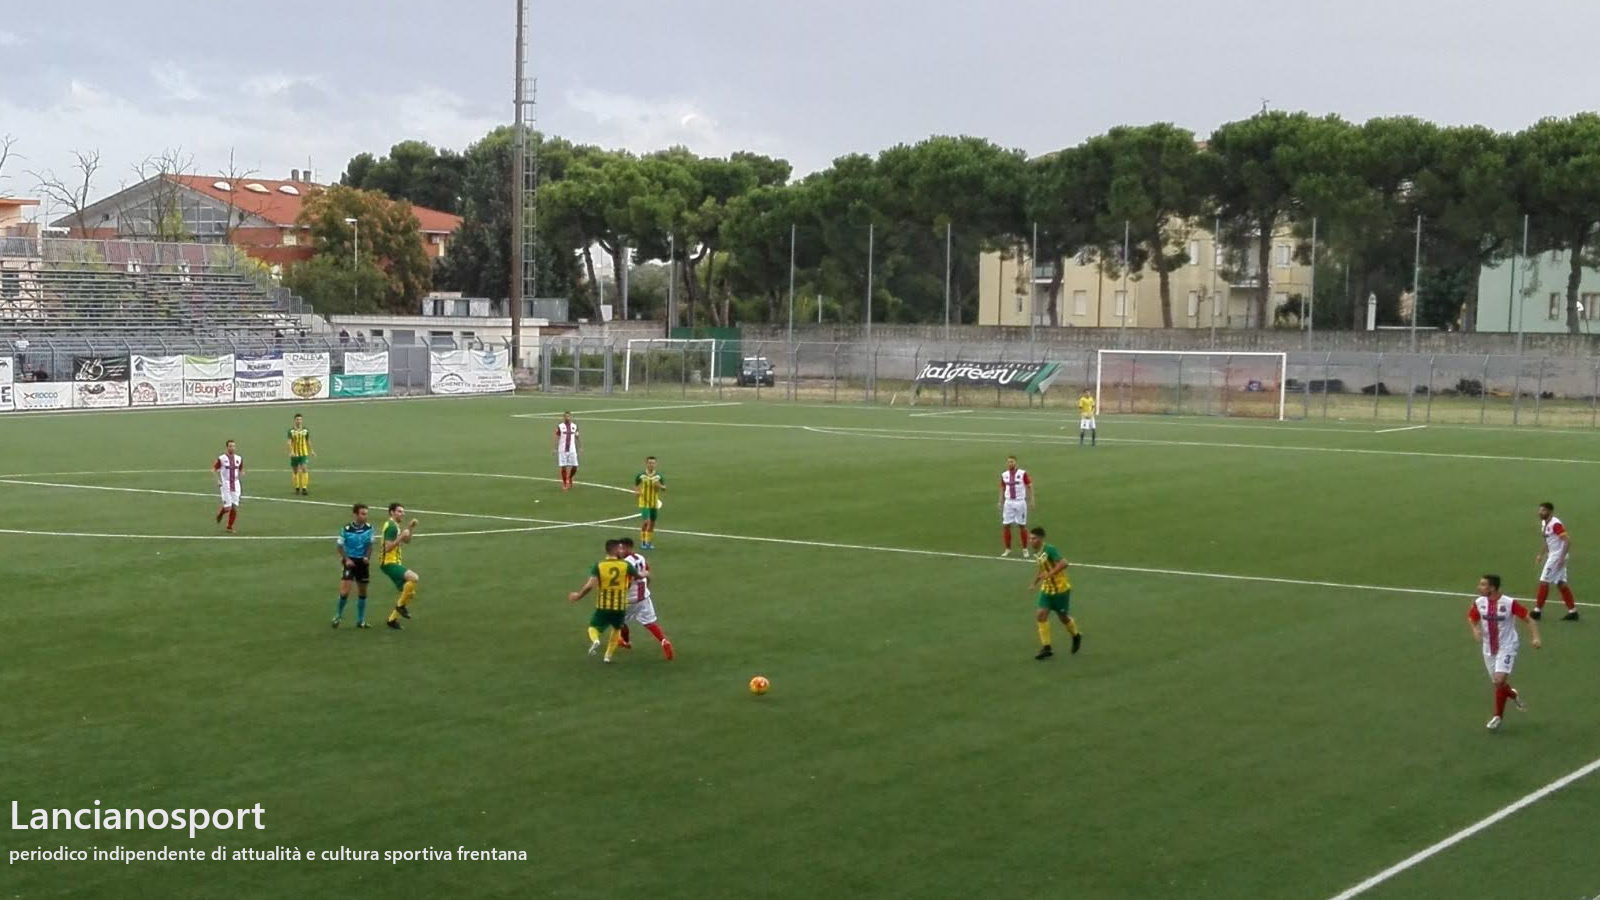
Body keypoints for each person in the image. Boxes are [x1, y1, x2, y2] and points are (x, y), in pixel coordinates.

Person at [1468, 574, 1540, 731]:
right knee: (1497, 683)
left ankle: (1497, 717)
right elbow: (1472, 618)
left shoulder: (1508, 603)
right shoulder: (1479, 603)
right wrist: (1475, 629)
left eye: (1483, 585)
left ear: (1492, 588)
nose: (1479, 587)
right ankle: (1512, 694)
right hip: (1488, 648)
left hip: (1507, 646)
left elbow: (1529, 619)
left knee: (1499, 680)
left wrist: (1535, 637)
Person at [567, 539, 638, 663]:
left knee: (593, 628)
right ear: (615, 550)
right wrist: (645, 574)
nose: (621, 551)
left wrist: (578, 596)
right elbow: (638, 576)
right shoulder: (626, 565)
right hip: (620, 607)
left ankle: (595, 640)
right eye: (619, 549)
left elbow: (590, 586)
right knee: (616, 630)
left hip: (603, 606)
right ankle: (607, 656)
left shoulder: (599, 565)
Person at [1028, 527, 1081, 660]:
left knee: (1063, 617)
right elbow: (1042, 569)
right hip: (1047, 590)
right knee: (1040, 615)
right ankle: (1047, 648)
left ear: (1040, 539)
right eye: (1030, 538)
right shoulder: (1037, 552)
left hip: (1060, 590)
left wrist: (1050, 574)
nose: (1030, 541)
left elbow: (1064, 563)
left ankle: (1076, 635)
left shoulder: (1050, 549)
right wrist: (1035, 582)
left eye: (1033, 538)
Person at [617, 537, 673, 659]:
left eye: (621, 548)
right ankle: (664, 641)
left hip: (629, 599)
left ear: (628, 548)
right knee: (650, 622)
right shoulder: (639, 557)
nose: (619, 550)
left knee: (620, 621)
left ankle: (625, 642)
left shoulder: (624, 563)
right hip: (643, 596)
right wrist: (646, 585)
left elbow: (628, 581)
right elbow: (647, 572)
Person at [1533, 502, 1578, 621]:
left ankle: (1537, 611)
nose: (1540, 512)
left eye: (1543, 510)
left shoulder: (1555, 524)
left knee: (1544, 581)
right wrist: (1541, 554)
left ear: (1550, 512)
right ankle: (1573, 611)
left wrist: (1561, 558)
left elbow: (1567, 540)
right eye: (1540, 510)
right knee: (1561, 583)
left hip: (1557, 556)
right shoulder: (1544, 523)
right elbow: (1547, 540)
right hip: (1553, 555)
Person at [380, 503, 422, 630]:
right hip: (388, 563)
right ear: (392, 512)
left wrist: (410, 527)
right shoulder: (391, 527)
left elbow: (407, 540)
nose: (402, 513)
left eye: (403, 511)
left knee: (410, 593)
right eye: (399, 511)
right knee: (414, 578)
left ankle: (392, 620)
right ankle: (400, 607)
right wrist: (401, 537)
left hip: (394, 562)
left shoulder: (395, 526)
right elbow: (387, 548)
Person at [333, 503, 375, 629]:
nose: (365, 516)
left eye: (366, 514)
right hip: (350, 563)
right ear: (355, 514)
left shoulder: (369, 528)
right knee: (345, 591)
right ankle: (337, 616)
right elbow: (339, 546)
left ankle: (360, 620)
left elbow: (370, 545)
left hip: (362, 563)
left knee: (362, 592)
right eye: (363, 514)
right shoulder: (346, 529)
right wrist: (346, 559)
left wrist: (367, 557)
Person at [998, 456, 1033, 558]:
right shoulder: (1004, 475)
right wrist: (1000, 501)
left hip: (1020, 502)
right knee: (1006, 525)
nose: (1010, 464)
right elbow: (1002, 487)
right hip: (1008, 502)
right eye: (1008, 462)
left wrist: (1032, 500)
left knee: (1021, 525)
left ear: (1016, 463)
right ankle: (1008, 549)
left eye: (1012, 462)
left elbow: (1029, 485)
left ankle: (1025, 549)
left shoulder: (1022, 473)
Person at [212, 439, 244, 533]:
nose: (232, 448)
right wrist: (218, 480)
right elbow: (213, 469)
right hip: (225, 485)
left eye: (233, 446)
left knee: (234, 507)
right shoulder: (222, 458)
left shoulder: (239, 458)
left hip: (236, 484)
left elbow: (241, 469)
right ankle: (221, 513)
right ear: (227, 447)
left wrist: (242, 473)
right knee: (228, 508)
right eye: (230, 446)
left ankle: (229, 527)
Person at [634, 456, 666, 549]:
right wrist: (637, 491)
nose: (651, 465)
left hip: (654, 502)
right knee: (646, 522)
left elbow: (664, 488)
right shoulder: (641, 475)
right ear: (646, 464)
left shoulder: (658, 476)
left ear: (655, 464)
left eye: (653, 463)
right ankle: (643, 542)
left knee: (652, 523)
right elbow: (636, 485)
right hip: (644, 501)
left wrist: (659, 485)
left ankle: (648, 542)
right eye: (649, 463)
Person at [286, 413, 314, 496]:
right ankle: (297, 488)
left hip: (303, 453)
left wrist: (311, 450)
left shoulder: (305, 430)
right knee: (295, 471)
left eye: (300, 419)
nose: (299, 421)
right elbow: (289, 442)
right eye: (297, 419)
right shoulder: (291, 431)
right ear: (294, 420)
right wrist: (291, 451)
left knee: (304, 468)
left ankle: (304, 488)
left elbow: (308, 441)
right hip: (294, 454)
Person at [554, 411, 581, 491]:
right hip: (562, 449)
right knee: (564, 467)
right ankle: (565, 483)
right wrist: (555, 448)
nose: (567, 418)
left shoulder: (574, 426)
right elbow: (556, 437)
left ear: (571, 417)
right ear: (563, 417)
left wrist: (580, 446)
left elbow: (577, 436)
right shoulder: (560, 426)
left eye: (569, 416)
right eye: (566, 416)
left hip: (572, 449)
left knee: (575, 466)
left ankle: (569, 478)